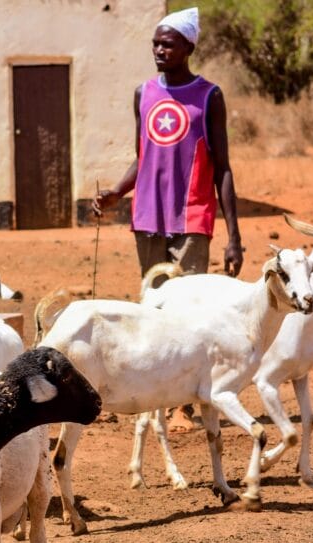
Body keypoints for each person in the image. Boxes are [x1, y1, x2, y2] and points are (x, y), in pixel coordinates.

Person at [93, 7, 242, 432]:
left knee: (189, 311)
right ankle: (153, 393)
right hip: (147, 215)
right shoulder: (143, 93)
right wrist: (117, 193)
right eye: (156, 43)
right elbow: (144, 157)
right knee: (154, 305)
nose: (160, 50)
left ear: (189, 47)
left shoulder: (209, 96)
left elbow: (224, 167)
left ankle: (184, 405)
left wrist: (234, 236)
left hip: (193, 215)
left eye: (168, 43)